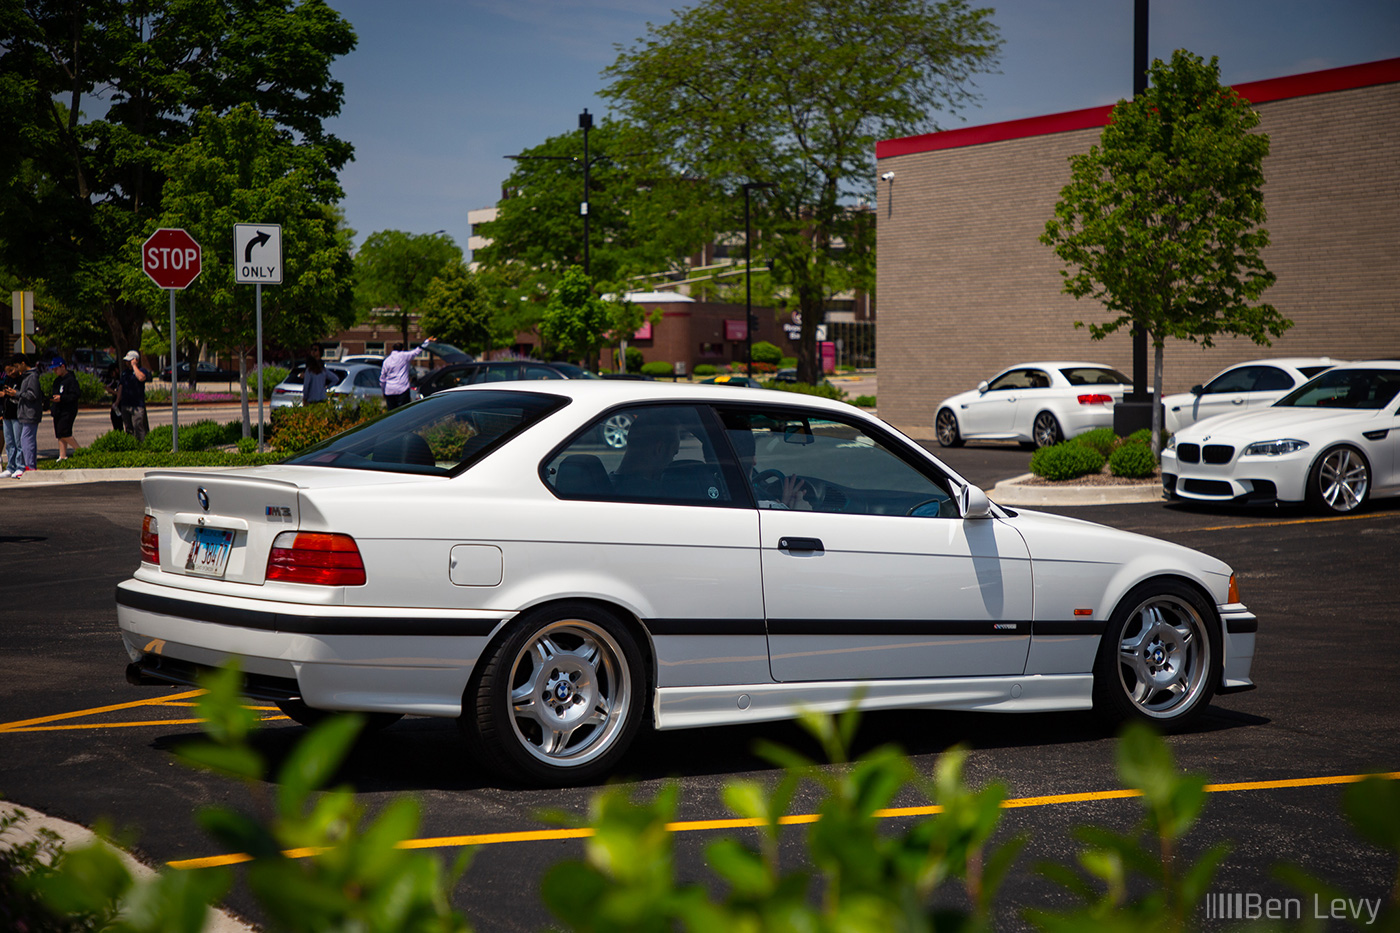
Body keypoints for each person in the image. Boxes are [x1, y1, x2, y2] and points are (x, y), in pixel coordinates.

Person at [610, 411, 681, 497]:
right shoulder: (658, 496)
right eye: (673, 454)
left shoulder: (603, 488)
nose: (671, 461)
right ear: (659, 448)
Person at [6, 353, 43, 478]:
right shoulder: (27, 376)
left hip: (30, 413)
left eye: (17, 366)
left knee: (27, 440)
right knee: (25, 440)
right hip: (25, 413)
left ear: (23, 363)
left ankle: (30, 466)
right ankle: (29, 466)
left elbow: (32, 395)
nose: (17, 369)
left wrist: (17, 394)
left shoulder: (32, 377)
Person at [379, 337, 435, 410]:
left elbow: (382, 378)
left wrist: (383, 391)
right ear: (402, 349)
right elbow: (417, 350)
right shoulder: (404, 356)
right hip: (402, 389)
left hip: (389, 390)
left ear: (393, 349)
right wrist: (427, 341)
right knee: (403, 411)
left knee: (391, 414)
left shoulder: (387, 361)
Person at [49, 357, 81, 460]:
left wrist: (62, 398)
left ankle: (80, 451)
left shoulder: (71, 380)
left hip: (68, 410)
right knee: (59, 434)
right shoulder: (57, 381)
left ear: (63, 367)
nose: (55, 371)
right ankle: (62, 456)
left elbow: (75, 395)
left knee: (64, 432)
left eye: (56, 368)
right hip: (58, 410)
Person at [118, 350, 152, 442]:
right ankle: (131, 445)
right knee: (128, 428)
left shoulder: (141, 370)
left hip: (137, 405)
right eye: (127, 361)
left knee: (138, 427)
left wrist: (134, 366)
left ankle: (141, 445)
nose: (127, 363)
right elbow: (121, 387)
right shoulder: (125, 373)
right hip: (126, 404)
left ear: (135, 360)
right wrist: (117, 402)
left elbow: (141, 378)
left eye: (130, 361)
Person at [0, 358, 20, 476]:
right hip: (7, 413)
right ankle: (11, 467)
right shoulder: (8, 379)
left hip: (17, 414)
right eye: (7, 372)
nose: (10, 373)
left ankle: (19, 465)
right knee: (9, 442)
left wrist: (13, 393)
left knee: (18, 442)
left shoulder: (21, 379)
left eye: (11, 370)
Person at [101, 360, 122, 431]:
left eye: (112, 373)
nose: (112, 375)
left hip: (120, 405)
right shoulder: (114, 381)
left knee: (119, 423)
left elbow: (121, 393)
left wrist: (112, 391)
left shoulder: (121, 380)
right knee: (115, 421)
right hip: (115, 405)